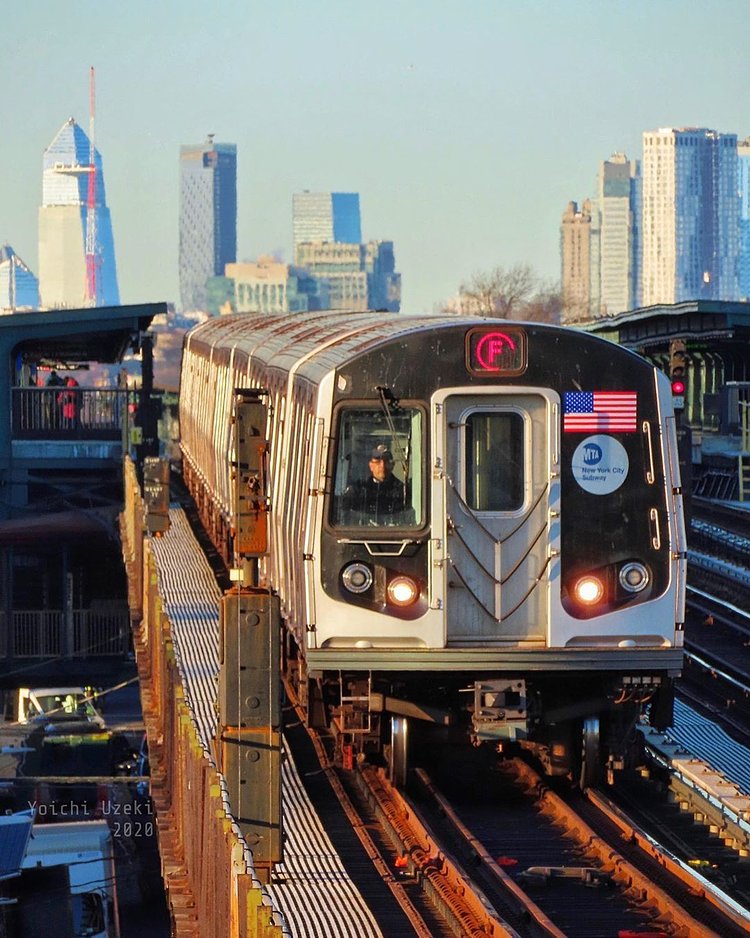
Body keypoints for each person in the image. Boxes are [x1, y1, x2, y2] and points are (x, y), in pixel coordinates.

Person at [342, 443, 406, 523]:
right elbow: (343, 515)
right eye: (378, 462)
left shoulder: (403, 491)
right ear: (371, 465)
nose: (382, 466)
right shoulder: (358, 489)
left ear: (392, 465)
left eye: (386, 461)